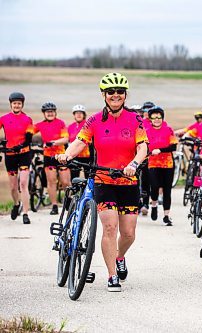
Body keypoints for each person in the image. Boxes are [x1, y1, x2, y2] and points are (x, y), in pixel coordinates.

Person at [56, 72, 149, 292]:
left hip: (128, 180)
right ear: (104, 95)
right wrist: (67, 155)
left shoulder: (135, 119)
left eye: (119, 92)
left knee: (128, 233)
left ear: (125, 95)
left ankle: (119, 257)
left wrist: (134, 164)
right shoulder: (95, 120)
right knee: (109, 227)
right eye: (111, 92)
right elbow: (80, 141)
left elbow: (143, 146)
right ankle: (111, 276)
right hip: (103, 180)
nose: (115, 95)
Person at [0, 92, 34, 224]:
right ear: (11, 104)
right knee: (13, 187)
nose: (17, 105)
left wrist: (20, 146)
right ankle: (16, 204)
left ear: (22, 105)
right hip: (9, 155)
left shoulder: (28, 119)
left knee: (23, 183)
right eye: (14, 103)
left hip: (24, 154)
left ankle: (26, 213)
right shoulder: (3, 118)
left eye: (19, 103)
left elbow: (29, 139)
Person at [33, 102, 70, 215]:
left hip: (61, 156)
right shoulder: (40, 125)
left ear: (55, 112)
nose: (50, 113)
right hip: (48, 157)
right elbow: (27, 133)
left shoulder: (60, 123)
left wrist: (53, 143)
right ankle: (54, 205)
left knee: (65, 181)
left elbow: (65, 139)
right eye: (47, 112)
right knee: (51, 181)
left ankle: (69, 201)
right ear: (44, 113)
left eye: (52, 111)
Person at [144, 106, 178, 225]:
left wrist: (160, 150)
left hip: (167, 164)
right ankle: (154, 205)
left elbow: (173, 146)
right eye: (154, 117)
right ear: (150, 119)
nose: (157, 119)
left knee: (167, 190)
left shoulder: (168, 130)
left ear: (162, 118)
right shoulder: (146, 131)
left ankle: (166, 216)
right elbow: (143, 147)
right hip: (153, 163)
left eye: (159, 117)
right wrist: (150, 152)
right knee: (154, 187)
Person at [67, 104, 92, 180]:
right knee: (74, 178)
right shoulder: (70, 127)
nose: (78, 115)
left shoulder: (88, 125)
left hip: (87, 156)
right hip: (74, 156)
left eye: (80, 113)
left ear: (84, 115)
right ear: (74, 115)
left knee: (88, 178)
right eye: (76, 113)